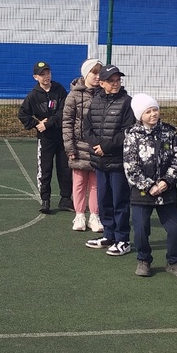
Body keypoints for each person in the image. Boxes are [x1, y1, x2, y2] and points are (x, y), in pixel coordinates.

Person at [123, 93, 177, 278]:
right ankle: (143, 260)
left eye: (155, 110)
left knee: (175, 228)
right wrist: (148, 185)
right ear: (140, 115)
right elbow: (130, 165)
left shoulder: (170, 132)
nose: (153, 114)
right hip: (142, 193)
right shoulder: (132, 135)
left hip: (166, 191)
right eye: (148, 111)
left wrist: (166, 181)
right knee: (141, 229)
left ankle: (174, 262)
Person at [84, 65, 135, 255]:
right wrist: (96, 144)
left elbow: (127, 131)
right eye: (111, 81)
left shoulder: (127, 102)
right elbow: (87, 128)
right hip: (100, 161)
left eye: (118, 80)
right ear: (102, 83)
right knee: (103, 199)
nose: (115, 84)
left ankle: (123, 239)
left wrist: (106, 146)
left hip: (118, 161)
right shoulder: (96, 101)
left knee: (119, 201)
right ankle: (108, 235)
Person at [17, 61, 73, 213]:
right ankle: (45, 200)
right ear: (36, 77)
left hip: (62, 136)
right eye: (42, 74)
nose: (46, 76)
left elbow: (64, 111)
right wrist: (37, 124)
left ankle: (66, 199)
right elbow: (23, 114)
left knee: (65, 168)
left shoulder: (59, 90)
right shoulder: (33, 96)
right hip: (46, 139)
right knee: (45, 168)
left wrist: (49, 123)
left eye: (48, 73)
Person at [63, 59, 104, 235]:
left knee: (96, 183)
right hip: (79, 146)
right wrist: (69, 147)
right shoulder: (73, 96)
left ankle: (94, 215)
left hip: (97, 147)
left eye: (99, 73)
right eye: (94, 72)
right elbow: (67, 122)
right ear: (85, 74)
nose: (97, 76)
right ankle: (79, 215)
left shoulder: (104, 94)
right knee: (79, 182)